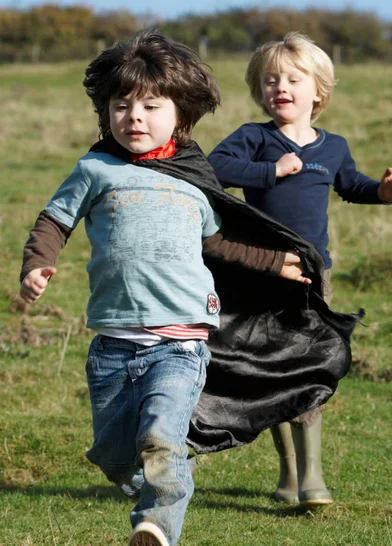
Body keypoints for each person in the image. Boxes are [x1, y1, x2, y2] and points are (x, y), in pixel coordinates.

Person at [19, 29, 312, 546]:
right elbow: (55, 220)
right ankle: (167, 486)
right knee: (112, 458)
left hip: (180, 343)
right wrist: (38, 263)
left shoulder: (193, 179)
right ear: (105, 112)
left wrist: (274, 264)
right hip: (112, 344)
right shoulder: (95, 169)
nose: (134, 117)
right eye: (121, 106)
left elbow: (220, 246)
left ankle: (156, 526)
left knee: (160, 437)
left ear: (181, 113)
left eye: (152, 106)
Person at [207, 31, 392, 508]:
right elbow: (215, 168)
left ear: (317, 91)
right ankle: (289, 473)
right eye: (270, 80)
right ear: (259, 92)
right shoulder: (254, 138)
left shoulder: (333, 147)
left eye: (293, 79)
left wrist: (381, 194)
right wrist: (270, 172)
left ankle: (313, 479)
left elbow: (352, 185)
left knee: (309, 366)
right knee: (272, 370)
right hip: (261, 272)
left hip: (312, 276)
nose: (280, 87)